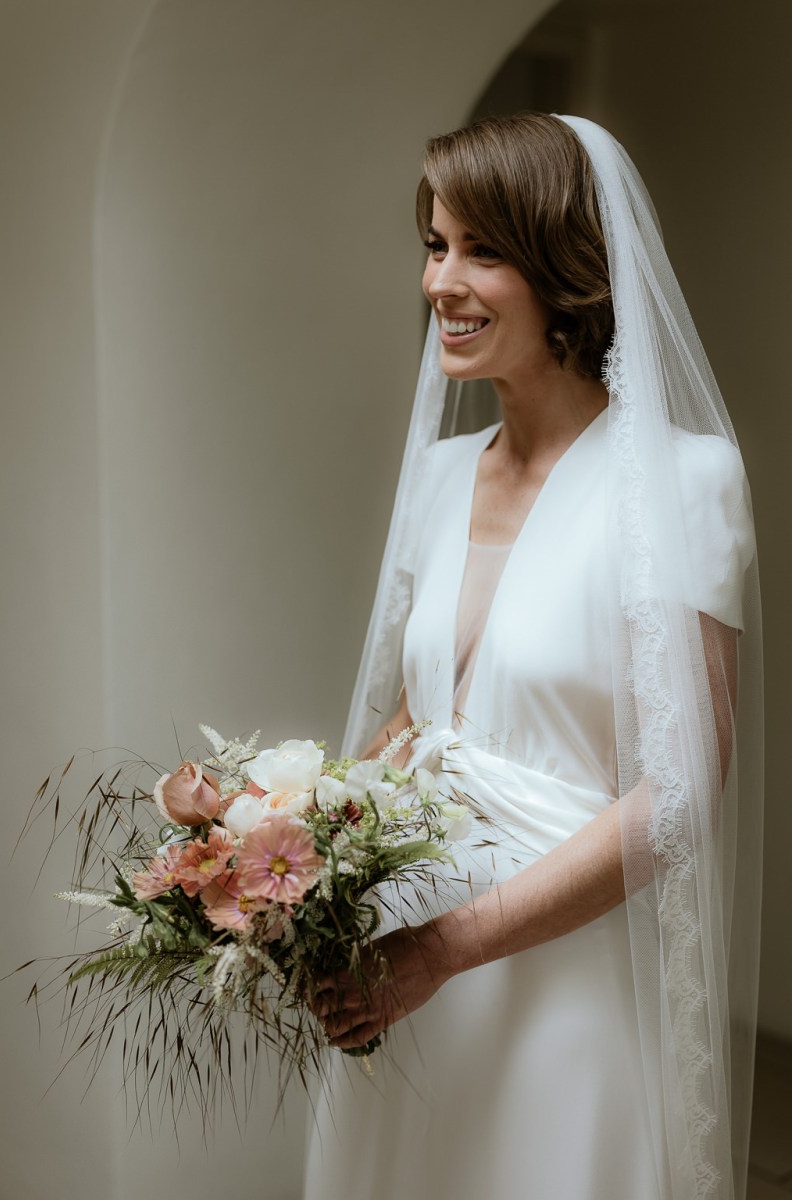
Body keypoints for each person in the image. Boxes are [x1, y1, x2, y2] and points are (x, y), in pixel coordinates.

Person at [303, 114, 761, 1200]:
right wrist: (287, 859)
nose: (440, 283)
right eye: (432, 245)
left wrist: (448, 949)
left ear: (568, 270)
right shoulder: (440, 474)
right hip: (401, 985)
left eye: (483, 250)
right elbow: (429, 718)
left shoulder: (679, 480)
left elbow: (680, 792)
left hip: (554, 990)